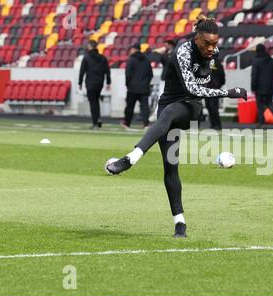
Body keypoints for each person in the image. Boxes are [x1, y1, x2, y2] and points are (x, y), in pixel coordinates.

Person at [106, 15, 247, 238]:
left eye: (215, 43)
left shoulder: (213, 53)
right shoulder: (182, 52)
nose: (212, 48)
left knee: (171, 112)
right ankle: (180, 223)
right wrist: (228, 92)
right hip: (170, 107)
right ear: (196, 38)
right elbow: (193, 87)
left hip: (191, 109)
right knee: (170, 166)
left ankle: (130, 159)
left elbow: (196, 91)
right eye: (207, 43)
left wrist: (216, 84)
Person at [79, 40, 111, 130]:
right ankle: (98, 118)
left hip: (90, 82)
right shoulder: (102, 58)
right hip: (99, 82)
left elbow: (82, 71)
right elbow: (107, 71)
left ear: (89, 46)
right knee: (96, 101)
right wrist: (108, 82)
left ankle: (95, 122)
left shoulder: (86, 57)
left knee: (93, 102)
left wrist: (80, 82)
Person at [120, 43, 154, 129]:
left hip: (132, 88)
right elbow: (150, 74)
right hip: (144, 87)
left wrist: (128, 85)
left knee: (130, 107)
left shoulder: (131, 60)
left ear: (134, 49)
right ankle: (146, 124)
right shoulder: (146, 60)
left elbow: (128, 74)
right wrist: (146, 83)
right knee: (144, 107)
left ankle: (127, 123)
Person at [251, 43, 273, 126]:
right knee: (269, 103)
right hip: (270, 86)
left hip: (259, 87)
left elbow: (254, 75)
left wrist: (253, 87)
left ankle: (261, 122)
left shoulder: (256, 61)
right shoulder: (271, 60)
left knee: (260, 105)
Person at [204, 56, 225, 130]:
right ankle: (213, 124)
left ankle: (217, 125)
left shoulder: (217, 62)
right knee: (208, 106)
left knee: (213, 106)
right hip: (206, 88)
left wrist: (218, 85)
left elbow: (222, 74)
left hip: (214, 88)